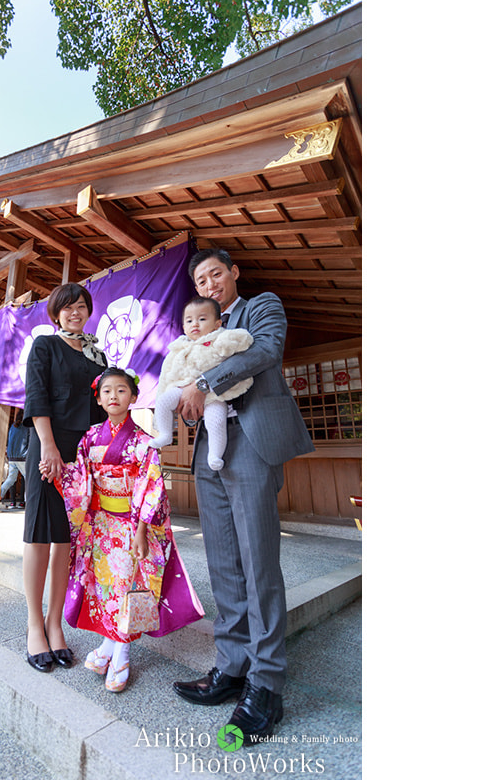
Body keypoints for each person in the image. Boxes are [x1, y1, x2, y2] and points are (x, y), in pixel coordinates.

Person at [171, 249, 314, 747]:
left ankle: (267, 684)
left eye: (215, 274)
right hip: (211, 448)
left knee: (258, 562)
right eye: (200, 279)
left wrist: (206, 381)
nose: (208, 284)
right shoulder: (194, 328)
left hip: (253, 443)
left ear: (233, 274)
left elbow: (266, 351)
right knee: (223, 561)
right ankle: (231, 667)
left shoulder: (261, 307)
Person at [58, 368, 203, 692]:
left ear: (134, 397)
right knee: (106, 587)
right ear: (99, 398)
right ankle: (109, 644)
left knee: (126, 586)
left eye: (121, 390)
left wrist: (140, 530)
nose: (114, 396)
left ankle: (122, 652)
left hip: (130, 526)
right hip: (100, 524)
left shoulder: (143, 441)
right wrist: (59, 474)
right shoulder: (90, 437)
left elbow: (150, 487)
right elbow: (81, 480)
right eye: (107, 391)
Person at [21, 283, 107, 672]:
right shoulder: (45, 346)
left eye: (81, 305)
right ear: (56, 313)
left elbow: (106, 406)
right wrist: (49, 446)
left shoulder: (96, 354)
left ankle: (55, 624)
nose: (75, 311)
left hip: (84, 453)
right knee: (41, 533)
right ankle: (33, 626)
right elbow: (36, 397)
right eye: (67, 307)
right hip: (49, 445)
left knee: (67, 539)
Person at [149, 296, 254, 470]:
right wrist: (169, 389)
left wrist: (235, 339)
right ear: (183, 327)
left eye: (202, 319)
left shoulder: (218, 339)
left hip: (215, 395)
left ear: (217, 324)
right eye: (189, 320)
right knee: (163, 401)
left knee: (216, 421)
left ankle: (214, 455)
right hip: (183, 389)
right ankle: (166, 434)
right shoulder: (178, 347)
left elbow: (241, 341)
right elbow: (165, 376)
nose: (195, 324)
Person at [0, 411, 29, 509]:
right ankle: (27, 502)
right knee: (28, 479)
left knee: (11, 479)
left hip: (12, 457)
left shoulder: (13, 427)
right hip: (22, 457)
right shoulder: (27, 426)